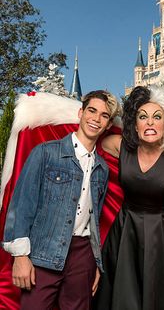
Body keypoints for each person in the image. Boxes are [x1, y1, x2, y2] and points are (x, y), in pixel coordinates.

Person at [2, 89, 120, 310]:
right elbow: (21, 205)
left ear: (108, 123)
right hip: (42, 252)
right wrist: (20, 257)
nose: (96, 119)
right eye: (92, 111)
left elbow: (93, 222)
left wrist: (94, 263)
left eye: (104, 115)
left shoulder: (102, 169)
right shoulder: (45, 153)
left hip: (82, 257)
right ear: (80, 113)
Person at [94, 85, 164, 310]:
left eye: (157, 117)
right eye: (143, 117)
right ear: (135, 124)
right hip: (125, 234)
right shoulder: (118, 146)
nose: (150, 122)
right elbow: (92, 138)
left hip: (163, 238)